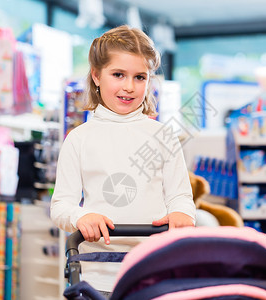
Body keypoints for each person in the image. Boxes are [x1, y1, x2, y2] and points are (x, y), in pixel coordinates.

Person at [50, 25, 196, 294]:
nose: (129, 87)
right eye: (118, 75)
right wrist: (82, 216)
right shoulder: (79, 139)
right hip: (97, 276)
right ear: (96, 75)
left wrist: (181, 213)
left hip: (154, 272)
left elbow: (181, 197)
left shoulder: (163, 135)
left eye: (140, 77)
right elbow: (61, 206)